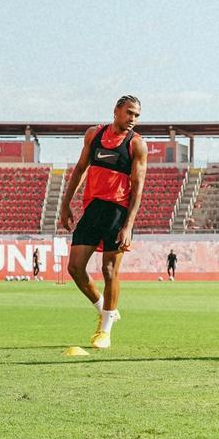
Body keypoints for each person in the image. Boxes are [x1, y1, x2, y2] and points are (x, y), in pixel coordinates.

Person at [58, 95, 149, 349]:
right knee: (75, 268)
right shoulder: (93, 135)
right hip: (93, 208)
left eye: (137, 115)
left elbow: (138, 187)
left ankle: (105, 331)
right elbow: (79, 169)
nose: (133, 119)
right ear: (116, 111)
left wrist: (128, 225)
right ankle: (104, 309)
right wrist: (65, 204)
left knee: (110, 271)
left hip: (117, 212)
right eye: (129, 113)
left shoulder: (137, 145)